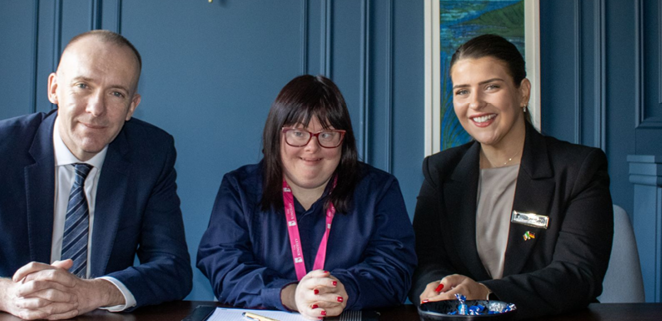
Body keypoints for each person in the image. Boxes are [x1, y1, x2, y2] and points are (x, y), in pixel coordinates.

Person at [0, 30, 192, 320]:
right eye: (83, 86)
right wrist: (1, 293)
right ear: (54, 88)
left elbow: (173, 268)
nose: (96, 109)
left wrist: (97, 292)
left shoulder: (152, 154)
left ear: (131, 106)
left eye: (116, 93)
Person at [411, 34, 613, 319]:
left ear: (523, 92)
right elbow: (425, 261)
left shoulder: (578, 168)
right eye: (462, 91)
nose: (475, 103)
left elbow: (578, 274)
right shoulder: (440, 171)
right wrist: (436, 288)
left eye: (491, 87)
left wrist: (486, 293)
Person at [197, 75, 417, 319]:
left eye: (327, 134)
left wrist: (341, 290)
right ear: (276, 136)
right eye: (298, 133)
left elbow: (395, 268)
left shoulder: (379, 189)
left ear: (344, 141)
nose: (312, 147)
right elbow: (223, 265)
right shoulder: (239, 188)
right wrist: (290, 295)